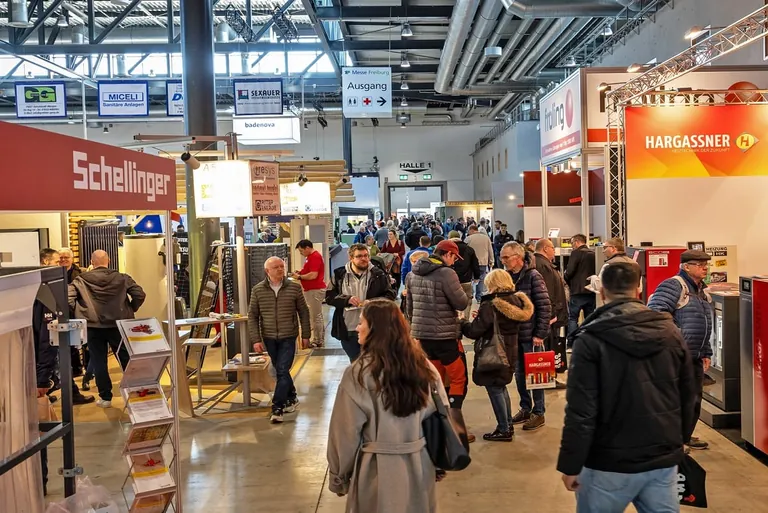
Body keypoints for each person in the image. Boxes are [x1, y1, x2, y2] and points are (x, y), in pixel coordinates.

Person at [558, 262, 696, 512]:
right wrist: (681, 440)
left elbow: (581, 410)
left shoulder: (590, 339)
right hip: (661, 459)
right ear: (639, 288)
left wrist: (571, 464)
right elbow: (689, 393)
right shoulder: (670, 332)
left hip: (607, 463)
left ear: (601, 292)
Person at [327, 299, 451, 513]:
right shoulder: (424, 367)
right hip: (420, 465)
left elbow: (345, 432)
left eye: (362, 322)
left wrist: (339, 476)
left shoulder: (358, 374)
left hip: (375, 469)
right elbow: (441, 414)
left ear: (375, 329)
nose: (357, 327)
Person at [648, 249, 713, 451]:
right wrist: (675, 339)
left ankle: (684, 437)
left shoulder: (701, 290)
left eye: (706, 264)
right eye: (699, 264)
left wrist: (706, 351)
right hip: (675, 355)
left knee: (693, 400)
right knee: (677, 400)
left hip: (694, 355)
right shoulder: (674, 285)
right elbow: (656, 313)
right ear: (686, 266)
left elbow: (704, 323)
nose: (705, 268)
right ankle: (673, 440)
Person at [461, 270, 533, 441]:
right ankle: (507, 425)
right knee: (501, 387)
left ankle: (504, 429)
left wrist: (463, 323)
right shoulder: (516, 300)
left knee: (495, 389)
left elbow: (475, 331)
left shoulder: (491, 304)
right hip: (510, 350)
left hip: (493, 352)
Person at [68, 250, 145, 408]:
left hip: (93, 326)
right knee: (126, 358)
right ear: (108, 260)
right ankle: (135, 392)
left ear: (92, 261)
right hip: (119, 324)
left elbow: (68, 299)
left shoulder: (80, 280)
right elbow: (140, 294)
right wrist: (130, 309)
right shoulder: (122, 278)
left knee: (98, 361)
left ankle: (105, 398)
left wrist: (79, 313)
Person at [407, 241, 470, 411]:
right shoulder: (447, 273)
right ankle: (456, 424)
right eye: (454, 258)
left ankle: (438, 419)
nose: (454, 262)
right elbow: (461, 303)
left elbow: (409, 308)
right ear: (447, 254)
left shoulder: (412, 274)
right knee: (458, 379)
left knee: (436, 379)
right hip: (445, 336)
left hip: (423, 336)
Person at [249, 256, 310, 423]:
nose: (280, 270)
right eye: (276, 267)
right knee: (281, 370)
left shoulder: (294, 288)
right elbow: (253, 316)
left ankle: (277, 407)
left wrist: (306, 335)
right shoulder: (258, 290)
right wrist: (256, 339)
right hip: (269, 337)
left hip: (288, 336)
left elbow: (303, 311)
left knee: (282, 370)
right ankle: (292, 397)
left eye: (282, 267)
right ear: (267, 271)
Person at [500, 242, 551, 430]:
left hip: (532, 337)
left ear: (518, 258)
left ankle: (539, 412)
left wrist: (540, 333)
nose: (502, 260)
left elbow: (544, 306)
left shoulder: (533, 276)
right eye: (502, 257)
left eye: (506, 257)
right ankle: (525, 408)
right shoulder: (507, 277)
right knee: (520, 374)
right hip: (515, 337)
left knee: (536, 375)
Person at [38, 249, 94, 405]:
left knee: (64, 361)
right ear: (44, 262)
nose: (61, 263)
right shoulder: (41, 285)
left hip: (64, 323)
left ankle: (68, 393)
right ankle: (60, 392)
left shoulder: (78, 274)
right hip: (53, 330)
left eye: (64, 258)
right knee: (62, 362)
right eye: (57, 261)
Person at [327, 244, 396, 362]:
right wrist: (346, 299)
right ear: (351, 258)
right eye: (359, 256)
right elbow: (329, 297)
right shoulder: (339, 275)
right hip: (348, 328)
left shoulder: (378, 274)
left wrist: (372, 302)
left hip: (372, 328)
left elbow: (390, 296)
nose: (364, 259)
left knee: (373, 363)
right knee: (355, 362)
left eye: (366, 255)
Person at [534, 239, 568, 376]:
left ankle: (549, 374)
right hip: (550, 317)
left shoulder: (541, 264)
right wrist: (551, 314)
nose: (554, 251)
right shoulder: (543, 266)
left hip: (549, 315)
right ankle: (547, 375)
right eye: (553, 248)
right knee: (548, 347)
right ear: (545, 248)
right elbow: (548, 292)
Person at [292, 240, 327, 349]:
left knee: (315, 316)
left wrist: (300, 277)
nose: (301, 253)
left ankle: (318, 340)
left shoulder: (315, 257)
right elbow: (309, 271)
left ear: (307, 247)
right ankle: (319, 338)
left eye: (302, 251)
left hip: (315, 289)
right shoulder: (310, 258)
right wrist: (300, 272)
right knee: (316, 315)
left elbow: (313, 275)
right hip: (311, 289)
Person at [564, 234, 596, 348]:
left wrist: (566, 279)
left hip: (577, 291)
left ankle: (571, 343)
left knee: (573, 318)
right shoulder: (593, 254)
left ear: (577, 242)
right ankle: (588, 341)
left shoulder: (576, 253)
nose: (572, 246)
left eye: (572, 243)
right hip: (591, 291)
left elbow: (569, 272)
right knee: (590, 318)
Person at [449, 230, 481, 320]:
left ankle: (454, 320)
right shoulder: (469, 249)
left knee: (452, 301)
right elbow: (475, 264)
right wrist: (477, 277)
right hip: (466, 280)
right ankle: (465, 320)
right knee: (467, 301)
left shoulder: (447, 250)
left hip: (452, 281)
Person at [466, 224, 495, 300]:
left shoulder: (468, 239)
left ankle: (470, 294)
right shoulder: (486, 238)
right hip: (483, 262)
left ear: (472, 230)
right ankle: (479, 296)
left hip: (470, 262)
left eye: (468, 231)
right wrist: (491, 260)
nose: (468, 232)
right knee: (481, 279)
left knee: (471, 278)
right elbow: (490, 250)